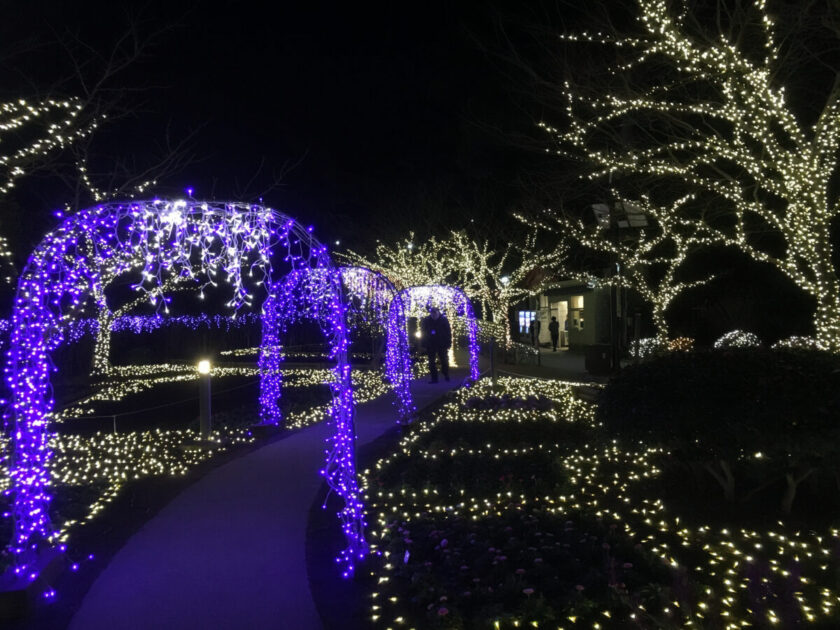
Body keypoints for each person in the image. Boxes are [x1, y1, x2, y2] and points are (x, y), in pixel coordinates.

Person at [420, 307, 451, 383]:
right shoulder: (426, 320)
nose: (433, 315)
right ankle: (434, 378)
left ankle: (445, 373)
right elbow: (423, 331)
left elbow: (448, 332)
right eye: (432, 313)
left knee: (444, 359)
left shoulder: (443, 320)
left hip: (441, 343)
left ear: (438, 313)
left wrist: (448, 343)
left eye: (435, 313)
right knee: (431, 361)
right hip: (431, 343)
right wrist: (424, 343)